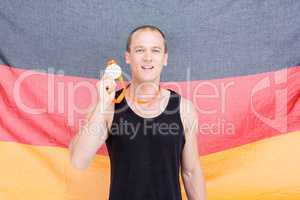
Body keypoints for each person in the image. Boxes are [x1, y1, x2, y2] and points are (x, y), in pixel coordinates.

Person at [69, 25, 206, 200]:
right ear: (128, 57)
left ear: (165, 58)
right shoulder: (108, 107)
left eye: (155, 51)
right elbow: (78, 161)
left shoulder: (184, 109)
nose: (148, 58)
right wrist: (102, 104)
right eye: (140, 50)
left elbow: (191, 173)